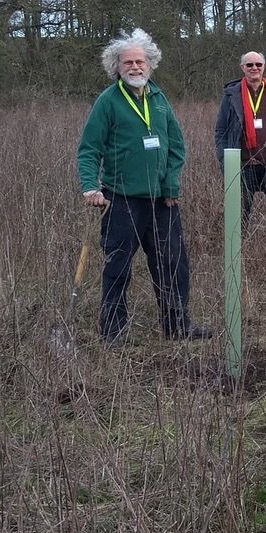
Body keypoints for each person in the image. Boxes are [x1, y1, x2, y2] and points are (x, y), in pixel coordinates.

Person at [76, 28, 210, 342]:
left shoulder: (159, 98)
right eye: (128, 63)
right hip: (120, 201)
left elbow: (176, 146)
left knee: (173, 265)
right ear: (116, 68)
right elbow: (89, 149)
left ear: (150, 64)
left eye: (141, 62)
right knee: (117, 267)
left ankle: (178, 326)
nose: (136, 67)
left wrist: (171, 185)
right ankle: (113, 333)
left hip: (162, 202)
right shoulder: (107, 102)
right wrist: (90, 187)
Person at [214, 51, 266, 237]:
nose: (254, 68)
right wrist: (224, 160)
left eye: (258, 64)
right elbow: (220, 131)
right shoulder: (231, 95)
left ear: (263, 67)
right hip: (242, 166)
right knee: (238, 212)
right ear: (242, 68)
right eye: (250, 65)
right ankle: (236, 251)